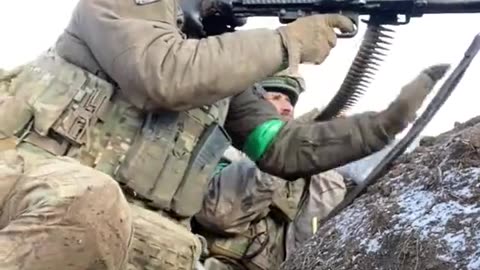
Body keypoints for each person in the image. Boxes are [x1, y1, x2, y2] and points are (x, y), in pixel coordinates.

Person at [0, 0, 449, 268]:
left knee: (178, 250)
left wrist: (382, 125)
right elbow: (164, 76)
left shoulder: (219, 72)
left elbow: (279, 148)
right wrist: (285, 43)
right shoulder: (121, 7)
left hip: (132, 228)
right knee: (91, 198)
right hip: (34, 185)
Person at [193, 72, 351, 270]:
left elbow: (311, 244)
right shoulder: (222, 148)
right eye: (276, 98)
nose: (287, 107)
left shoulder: (301, 168)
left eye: (290, 102)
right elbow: (220, 216)